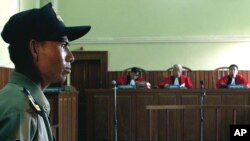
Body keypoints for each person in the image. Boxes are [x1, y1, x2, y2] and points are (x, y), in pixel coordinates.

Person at [0, 3, 90, 141]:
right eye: (63, 45)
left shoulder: (28, 102)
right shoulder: (19, 109)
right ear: (35, 49)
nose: (71, 57)